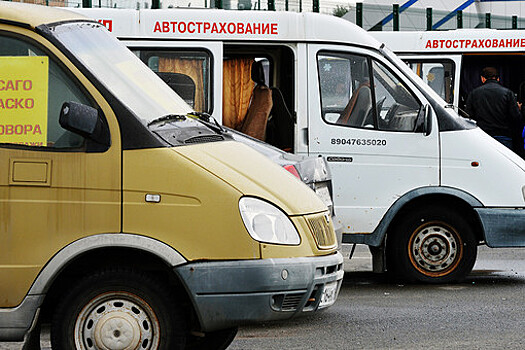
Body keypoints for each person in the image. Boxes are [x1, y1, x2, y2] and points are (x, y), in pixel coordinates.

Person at [465, 67, 523, 149]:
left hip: (481, 136)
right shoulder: (508, 93)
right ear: (498, 79)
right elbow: (516, 117)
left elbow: (468, 117)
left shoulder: (474, 93)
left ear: (482, 79)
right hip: (504, 136)